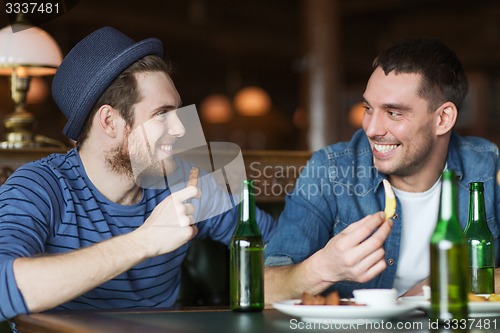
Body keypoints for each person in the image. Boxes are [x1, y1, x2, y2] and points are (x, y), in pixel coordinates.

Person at [0, 26, 275, 321]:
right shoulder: (40, 187)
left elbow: (274, 241)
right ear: (110, 121)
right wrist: (144, 241)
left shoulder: (182, 181)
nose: (181, 128)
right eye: (162, 114)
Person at [264, 37, 500, 303]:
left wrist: (444, 280)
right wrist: (322, 268)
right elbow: (263, 286)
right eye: (368, 108)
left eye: (393, 113)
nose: (372, 129)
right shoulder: (331, 169)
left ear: (443, 118)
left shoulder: (488, 168)